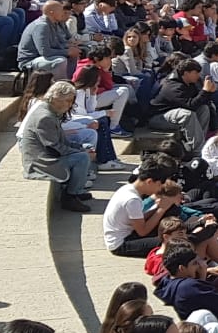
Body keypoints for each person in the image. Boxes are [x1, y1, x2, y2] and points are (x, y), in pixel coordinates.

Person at [20, 80, 96, 212]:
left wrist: (81, 147)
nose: (70, 105)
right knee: (82, 158)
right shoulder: (45, 117)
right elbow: (54, 148)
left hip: (48, 156)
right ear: (56, 98)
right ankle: (70, 197)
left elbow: (61, 141)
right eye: (68, 101)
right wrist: (81, 153)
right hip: (41, 162)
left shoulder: (50, 111)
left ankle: (76, 191)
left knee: (85, 149)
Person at [104, 161, 182, 257]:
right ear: (149, 182)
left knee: (171, 212)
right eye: (158, 185)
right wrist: (161, 209)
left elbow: (138, 219)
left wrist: (157, 208)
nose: (158, 190)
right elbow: (143, 231)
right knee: (171, 240)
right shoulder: (132, 199)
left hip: (129, 232)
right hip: (121, 244)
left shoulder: (127, 188)